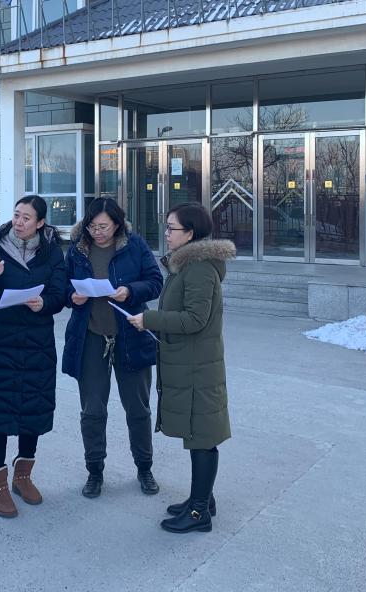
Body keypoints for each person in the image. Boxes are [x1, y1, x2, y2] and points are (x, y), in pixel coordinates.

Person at [126, 202, 235, 535]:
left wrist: (150, 320)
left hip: (197, 368)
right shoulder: (185, 265)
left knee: (201, 437)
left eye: (172, 228)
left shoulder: (199, 268)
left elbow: (195, 319)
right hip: (190, 363)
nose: (167, 233)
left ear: (190, 233)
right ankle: (202, 499)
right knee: (197, 435)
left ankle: (199, 513)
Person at [0, 194, 67, 518]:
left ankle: (23, 476)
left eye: (26, 218)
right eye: (16, 215)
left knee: (32, 406)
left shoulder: (52, 252)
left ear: (40, 222)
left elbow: (60, 293)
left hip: (36, 341)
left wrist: (45, 303)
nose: (19, 222)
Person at [63, 197, 163, 499]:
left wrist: (130, 291)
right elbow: (63, 286)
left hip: (130, 334)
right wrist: (72, 297)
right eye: (92, 227)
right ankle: (94, 471)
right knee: (92, 410)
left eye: (104, 227)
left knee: (137, 408)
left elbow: (155, 281)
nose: (97, 233)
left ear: (117, 224)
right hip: (90, 336)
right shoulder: (78, 248)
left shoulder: (134, 245)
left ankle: (144, 467)